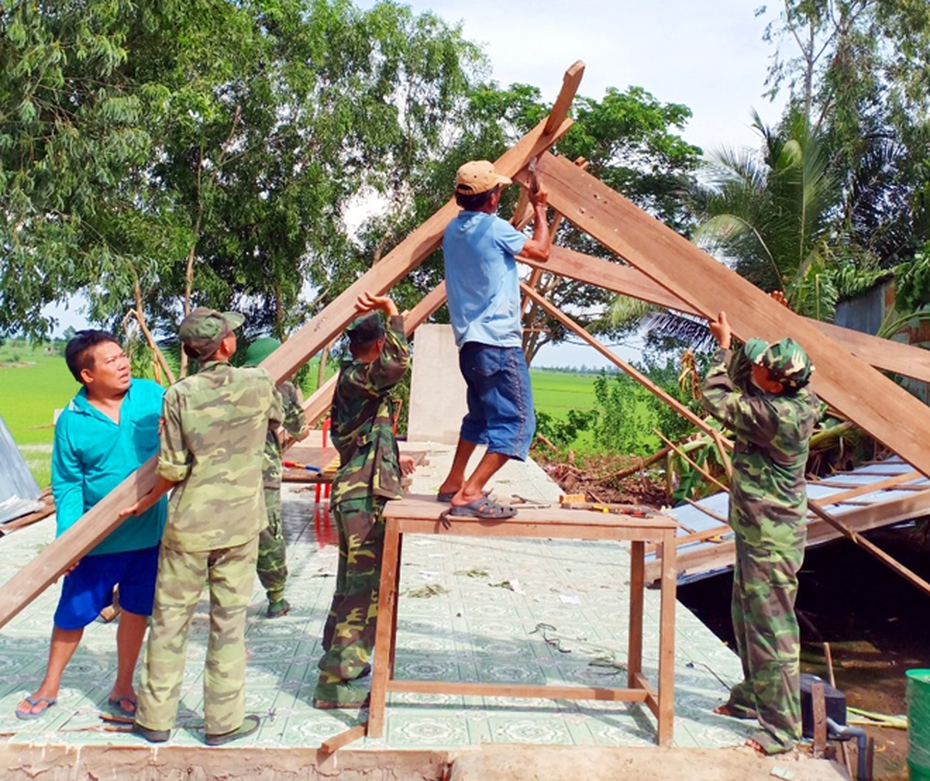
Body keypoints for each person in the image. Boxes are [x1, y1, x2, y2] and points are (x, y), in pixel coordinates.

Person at [119, 307, 282, 745]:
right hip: (240, 524)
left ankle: (155, 720)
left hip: (188, 525)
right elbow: (284, 426)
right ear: (226, 344)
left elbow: (171, 468)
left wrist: (143, 503)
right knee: (228, 624)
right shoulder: (259, 383)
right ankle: (224, 722)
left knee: (170, 622)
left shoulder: (179, 395)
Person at [16, 331, 166, 721]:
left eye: (122, 356)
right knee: (72, 613)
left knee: (136, 610)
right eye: (111, 360)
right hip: (97, 540)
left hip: (149, 533)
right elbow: (67, 485)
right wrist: (70, 541)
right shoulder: (72, 421)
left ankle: (124, 684)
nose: (123, 364)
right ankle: (49, 684)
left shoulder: (150, 396)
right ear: (87, 375)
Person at [701, 311, 820, 756]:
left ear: (776, 385)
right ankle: (753, 695)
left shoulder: (779, 416)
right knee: (746, 616)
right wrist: (739, 338)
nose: (754, 370)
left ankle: (782, 729)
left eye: (761, 371)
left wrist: (721, 350)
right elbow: (753, 374)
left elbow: (717, 397)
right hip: (759, 530)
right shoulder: (792, 393)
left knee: (772, 629)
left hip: (772, 539)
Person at [313, 292, 413, 709]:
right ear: (375, 347)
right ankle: (335, 682)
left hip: (363, 493)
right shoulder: (359, 377)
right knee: (361, 589)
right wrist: (395, 315)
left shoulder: (360, 383)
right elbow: (396, 365)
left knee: (355, 584)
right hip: (360, 499)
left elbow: (372, 435)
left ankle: (343, 661)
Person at [436, 159, 550, 519]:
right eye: (498, 189)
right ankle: (469, 493)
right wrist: (541, 210)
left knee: (481, 417)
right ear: (491, 198)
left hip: (470, 344)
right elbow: (542, 253)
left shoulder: (453, 231)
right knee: (517, 424)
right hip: (498, 343)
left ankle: (453, 481)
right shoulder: (496, 229)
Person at [242, 337, 310, 619]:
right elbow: (299, 428)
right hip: (263, 470)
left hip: (221, 471)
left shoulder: (227, 383)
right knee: (268, 533)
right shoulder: (280, 388)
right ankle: (276, 598)